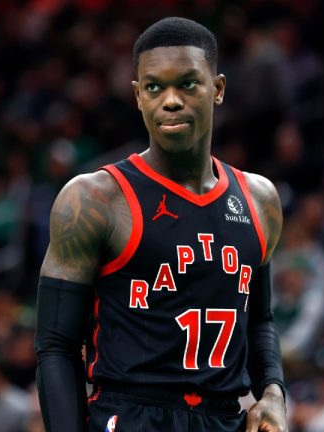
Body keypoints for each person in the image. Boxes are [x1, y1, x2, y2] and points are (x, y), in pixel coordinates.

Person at [34, 17, 287, 432]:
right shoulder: (95, 197)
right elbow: (57, 345)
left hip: (224, 418)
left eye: (187, 84)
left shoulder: (259, 200)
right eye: (154, 87)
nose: (170, 101)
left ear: (218, 89)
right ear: (137, 96)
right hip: (129, 413)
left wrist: (274, 393)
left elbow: (259, 320)